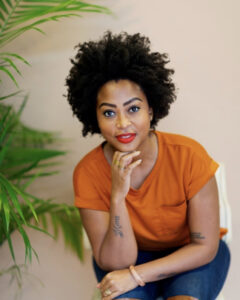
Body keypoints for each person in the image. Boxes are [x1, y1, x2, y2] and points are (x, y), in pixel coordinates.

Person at [65, 31, 230, 300]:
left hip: (190, 255)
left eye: (133, 109)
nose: (122, 123)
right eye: (109, 112)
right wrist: (118, 195)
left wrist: (137, 276)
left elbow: (204, 246)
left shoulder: (189, 156)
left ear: (151, 110)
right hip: (126, 259)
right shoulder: (88, 172)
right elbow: (117, 263)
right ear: (94, 117)